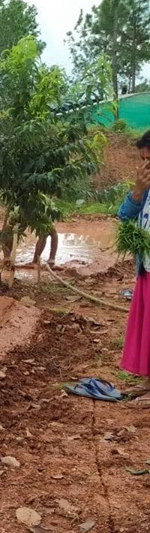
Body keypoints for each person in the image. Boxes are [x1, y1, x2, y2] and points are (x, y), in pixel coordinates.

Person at [118, 129, 150, 405]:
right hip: (147, 268)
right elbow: (124, 216)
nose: (145, 168)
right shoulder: (146, 189)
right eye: (143, 161)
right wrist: (138, 191)